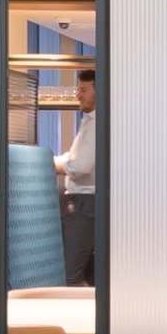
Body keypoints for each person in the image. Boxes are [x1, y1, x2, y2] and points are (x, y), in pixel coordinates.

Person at [56, 70, 98, 286]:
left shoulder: (97, 123)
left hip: (84, 203)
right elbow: (77, 158)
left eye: (83, 90)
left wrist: (56, 165)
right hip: (85, 203)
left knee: (71, 273)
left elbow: (81, 165)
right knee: (87, 273)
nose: (78, 95)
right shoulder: (89, 121)